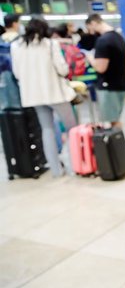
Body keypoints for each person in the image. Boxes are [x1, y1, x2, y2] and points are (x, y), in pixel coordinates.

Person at [10, 18, 77, 177]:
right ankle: (76, 165)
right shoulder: (50, 44)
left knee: (47, 129)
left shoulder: (16, 46)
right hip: (55, 93)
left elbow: (17, 73)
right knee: (72, 129)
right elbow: (61, 69)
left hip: (33, 95)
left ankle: (56, 170)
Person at [85, 13, 125, 127]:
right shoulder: (119, 37)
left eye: (89, 28)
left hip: (109, 86)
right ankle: (118, 144)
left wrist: (90, 58)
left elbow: (101, 68)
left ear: (93, 23)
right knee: (115, 118)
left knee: (113, 121)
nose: (90, 32)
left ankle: (118, 144)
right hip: (121, 84)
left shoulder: (103, 41)